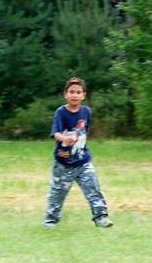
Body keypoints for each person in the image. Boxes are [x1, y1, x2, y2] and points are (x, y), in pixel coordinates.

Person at [43, 77, 113, 228]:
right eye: (71, 92)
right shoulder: (61, 113)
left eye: (78, 92)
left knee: (93, 189)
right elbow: (56, 133)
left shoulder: (86, 112)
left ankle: (101, 218)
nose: (75, 95)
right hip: (64, 162)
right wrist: (64, 139)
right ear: (65, 94)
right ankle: (50, 221)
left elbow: (84, 132)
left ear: (83, 95)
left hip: (83, 161)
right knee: (57, 193)